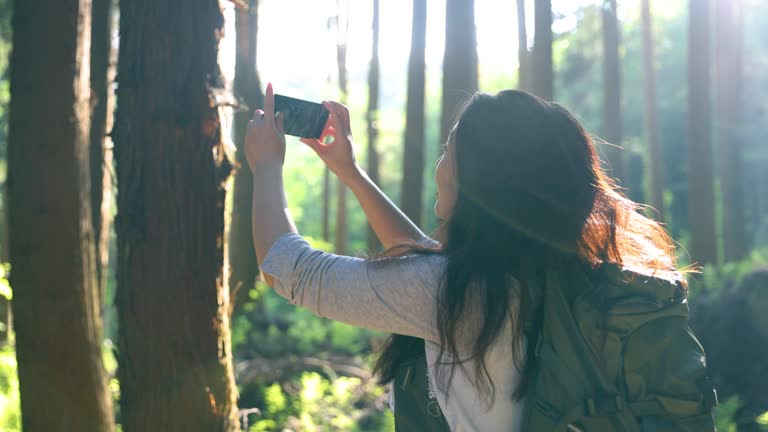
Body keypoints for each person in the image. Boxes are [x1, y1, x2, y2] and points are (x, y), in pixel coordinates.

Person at [245, 84, 700, 431]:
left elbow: (288, 268)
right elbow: (427, 267)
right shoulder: (557, 275)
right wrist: (351, 171)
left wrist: (265, 167)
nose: (439, 164)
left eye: (448, 150)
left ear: (476, 181)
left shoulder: (455, 294)